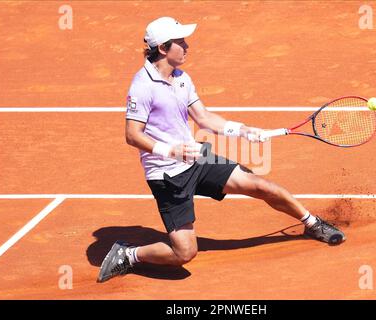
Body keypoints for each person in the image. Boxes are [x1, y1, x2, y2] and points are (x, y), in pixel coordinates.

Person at [97, 17, 345, 283]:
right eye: (180, 42)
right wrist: (171, 151)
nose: (187, 45)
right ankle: (128, 255)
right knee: (184, 253)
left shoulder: (181, 78)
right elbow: (132, 135)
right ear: (163, 48)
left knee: (260, 185)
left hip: (195, 158)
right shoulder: (142, 86)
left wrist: (243, 130)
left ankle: (311, 223)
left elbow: (204, 118)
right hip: (167, 175)